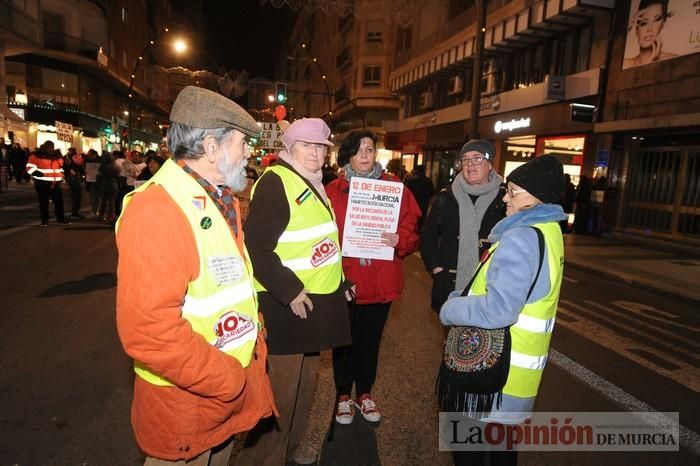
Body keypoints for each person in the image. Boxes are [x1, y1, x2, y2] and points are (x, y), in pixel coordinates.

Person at [115, 86, 277, 466]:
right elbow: (149, 332)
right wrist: (230, 380)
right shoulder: (157, 211)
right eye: (241, 143)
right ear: (211, 146)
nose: (248, 153)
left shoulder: (218, 197)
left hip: (215, 400)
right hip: (186, 407)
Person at [236, 118, 352, 466]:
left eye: (320, 147)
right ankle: (261, 461)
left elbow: (320, 242)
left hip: (315, 303)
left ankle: (291, 449)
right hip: (286, 305)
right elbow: (257, 248)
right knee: (280, 394)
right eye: (307, 145)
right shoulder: (276, 181)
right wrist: (290, 291)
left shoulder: (313, 181)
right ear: (289, 148)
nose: (315, 152)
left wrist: (341, 283)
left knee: (305, 386)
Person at [439, 154, 566, 466]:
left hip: (492, 377)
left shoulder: (521, 237)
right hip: (516, 379)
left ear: (536, 195)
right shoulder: (549, 233)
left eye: (513, 191)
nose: (505, 197)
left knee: (471, 455)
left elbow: (499, 310)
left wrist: (452, 307)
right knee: (500, 455)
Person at [326, 129, 421, 425]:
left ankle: (364, 393)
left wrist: (399, 239)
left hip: (381, 281)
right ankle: (343, 395)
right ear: (348, 156)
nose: (365, 155)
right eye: (358, 150)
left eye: (369, 149)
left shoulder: (395, 188)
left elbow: (412, 227)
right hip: (346, 281)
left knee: (370, 342)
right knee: (343, 342)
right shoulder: (333, 190)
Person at [420, 139, 506, 313]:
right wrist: (437, 269)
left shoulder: (504, 199)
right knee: (450, 339)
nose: (470, 164)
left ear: (490, 164)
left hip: (490, 288)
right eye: (465, 159)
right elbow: (428, 236)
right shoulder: (446, 197)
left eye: (477, 158)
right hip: (448, 286)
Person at [25, 141, 69, 226]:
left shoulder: (56, 156)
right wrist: (36, 173)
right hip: (42, 183)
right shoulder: (36, 155)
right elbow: (29, 167)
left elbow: (60, 167)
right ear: (45, 147)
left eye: (52, 147)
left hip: (55, 183)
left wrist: (62, 173)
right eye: (49, 147)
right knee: (44, 202)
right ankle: (44, 220)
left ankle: (60, 219)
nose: (51, 149)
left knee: (59, 202)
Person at [623, 0, 676, 68]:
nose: (649, 29)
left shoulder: (672, 60)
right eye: (643, 23)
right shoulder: (625, 64)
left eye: (656, 19)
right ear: (636, 29)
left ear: (663, 24)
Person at [63, 149, 85, 219]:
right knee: (75, 197)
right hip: (74, 180)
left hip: (74, 179)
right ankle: (75, 213)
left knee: (76, 197)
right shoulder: (69, 159)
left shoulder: (71, 158)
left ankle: (75, 212)